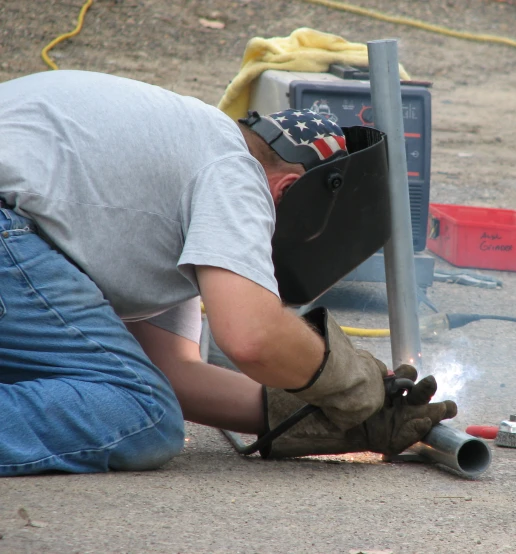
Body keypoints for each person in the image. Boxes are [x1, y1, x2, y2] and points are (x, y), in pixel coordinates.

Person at [0, 70, 456, 476]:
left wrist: (320, 418)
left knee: (112, 389)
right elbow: (251, 337)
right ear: (287, 190)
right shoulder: (236, 170)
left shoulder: (180, 180)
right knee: (143, 416)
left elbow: (173, 371)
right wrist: (352, 385)